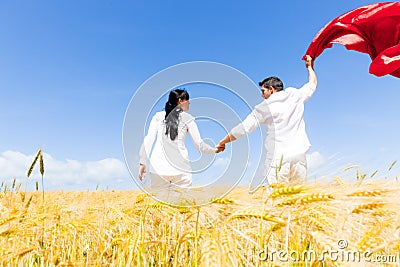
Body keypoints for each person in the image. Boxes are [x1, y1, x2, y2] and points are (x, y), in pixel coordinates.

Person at [216, 55, 317, 188]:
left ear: (271, 90)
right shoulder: (295, 95)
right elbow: (312, 84)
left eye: (263, 91)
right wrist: (310, 67)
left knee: (276, 202)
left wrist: (223, 142)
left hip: (277, 161)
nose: (262, 95)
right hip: (300, 158)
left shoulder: (264, 107)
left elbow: (243, 129)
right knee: (299, 201)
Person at [138, 89, 217, 191]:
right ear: (180, 101)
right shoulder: (188, 119)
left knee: (160, 205)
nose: (189, 102)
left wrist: (142, 162)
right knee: (182, 204)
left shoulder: (158, 116)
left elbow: (149, 139)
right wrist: (214, 149)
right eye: (187, 99)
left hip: (158, 169)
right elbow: (199, 145)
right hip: (181, 170)